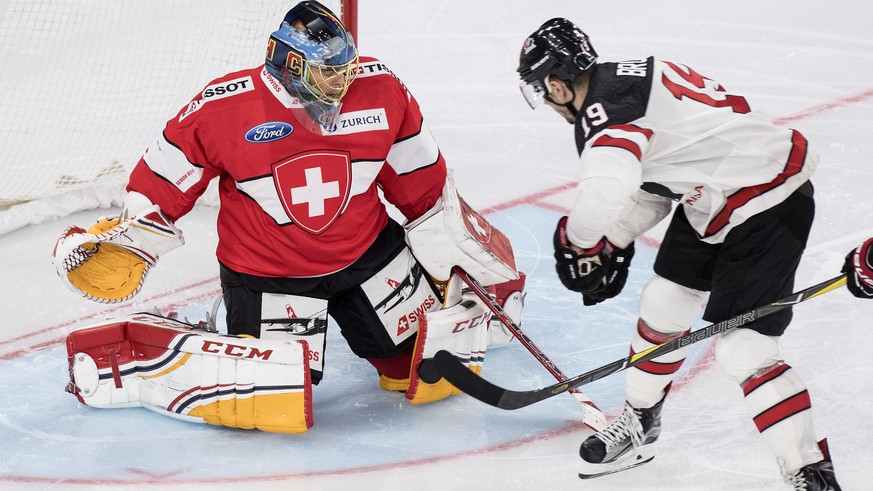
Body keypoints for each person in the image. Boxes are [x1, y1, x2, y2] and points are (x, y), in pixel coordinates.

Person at [52, 1, 524, 434]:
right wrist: (135, 235)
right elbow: (162, 177)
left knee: (424, 371)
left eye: (345, 70)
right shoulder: (222, 107)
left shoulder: (380, 89)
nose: (342, 83)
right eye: (329, 72)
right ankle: (168, 348)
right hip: (268, 273)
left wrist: (453, 253)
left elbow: (420, 179)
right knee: (270, 404)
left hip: (367, 254)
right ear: (290, 63)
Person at [516, 17, 840, 490]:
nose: (544, 103)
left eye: (541, 92)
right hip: (713, 194)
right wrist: (616, 239)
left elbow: (607, 190)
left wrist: (582, 242)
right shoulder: (632, 75)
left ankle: (808, 468)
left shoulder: (605, 113)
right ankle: (640, 422)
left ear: (557, 85)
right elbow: (659, 183)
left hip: (768, 202)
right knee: (663, 304)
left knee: (744, 349)